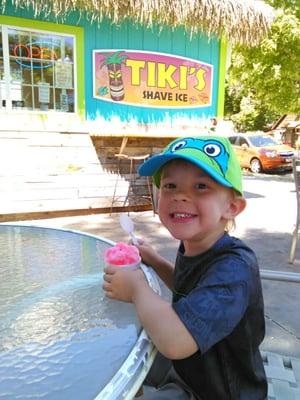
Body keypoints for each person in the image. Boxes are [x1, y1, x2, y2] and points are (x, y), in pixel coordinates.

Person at [103, 136, 267, 399]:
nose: (179, 195)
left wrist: (136, 287)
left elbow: (175, 342)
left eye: (201, 186)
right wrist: (154, 261)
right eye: (170, 185)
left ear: (232, 207)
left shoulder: (234, 270)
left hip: (218, 391)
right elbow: (186, 286)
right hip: (192, 370)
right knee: (114, 357)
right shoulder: (196, 244)